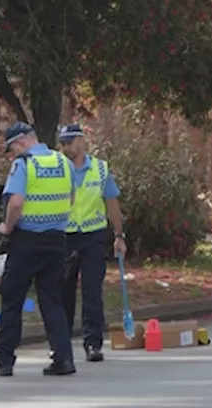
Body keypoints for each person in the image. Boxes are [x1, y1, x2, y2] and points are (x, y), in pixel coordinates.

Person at [0, 121, 78, 378]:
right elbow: (72, 197)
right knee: (52, 299)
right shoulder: (63, 162)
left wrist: (7, 227)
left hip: (26, 241)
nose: (12, 155)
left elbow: (16, 202)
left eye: (11, 149)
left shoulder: (24, 164)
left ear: (20, 142)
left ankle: (6, 360)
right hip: (56, 241)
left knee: (12, 298)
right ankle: (63, 359)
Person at [57, 123, 127, 363]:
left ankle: (93, 343)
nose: (67, 148)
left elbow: (112, 204)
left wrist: (119, 236)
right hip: (65, 236)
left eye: (70, 142)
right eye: (63, 143)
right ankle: (61, 343)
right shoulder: (57, 169)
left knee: (92, 291)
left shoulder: (100, 169)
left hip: (93, 236)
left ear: (82, 141)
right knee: (63, 291)